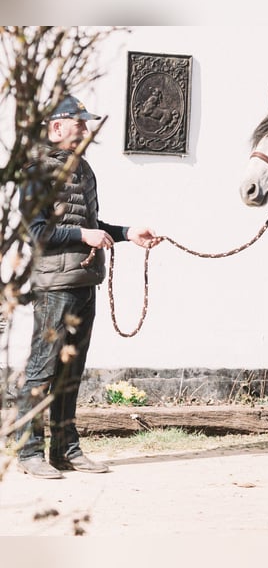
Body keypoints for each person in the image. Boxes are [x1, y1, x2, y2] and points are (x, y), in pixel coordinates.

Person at [15, 95, 160, 479]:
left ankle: (66, 450)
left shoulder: (83, 170)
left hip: (84, 282)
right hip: (54, 287)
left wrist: (128, 233)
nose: (85, 130)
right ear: (57, 126)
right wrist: (85, 234)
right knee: (41, 371)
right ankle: (29, 454)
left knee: (71, 373)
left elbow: (92, 225)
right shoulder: (34, 172)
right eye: (79, 124)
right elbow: (37, 233)